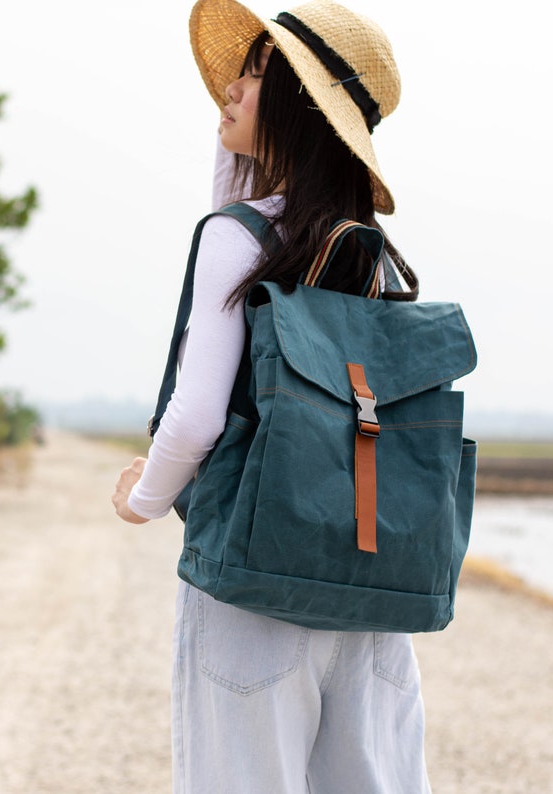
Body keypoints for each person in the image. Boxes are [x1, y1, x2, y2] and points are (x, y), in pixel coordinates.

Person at [112, 1, 430, 791]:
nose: (228, 91)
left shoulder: (236, 237)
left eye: (251, 78)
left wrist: (144, 499)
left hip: (256, 583)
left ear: (295, 107)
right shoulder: (377, 260)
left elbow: (194, 418)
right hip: (370, 590)